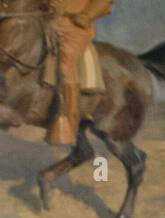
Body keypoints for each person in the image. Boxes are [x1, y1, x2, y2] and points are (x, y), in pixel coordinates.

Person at [46, 0, 114, 145]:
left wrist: (87, 15)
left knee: (66, 67)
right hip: (47, 22)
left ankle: (68, 123)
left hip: (74, 26)